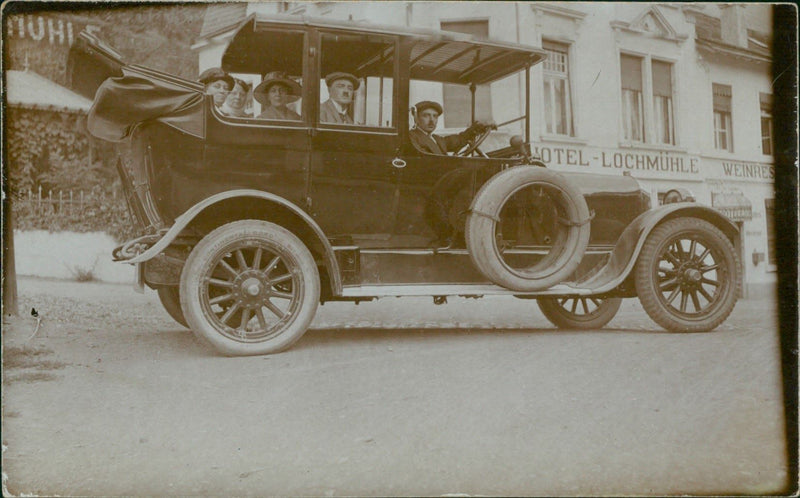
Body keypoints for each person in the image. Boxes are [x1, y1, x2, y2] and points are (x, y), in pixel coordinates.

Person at [409, 101, 495, 155]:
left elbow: (461, 139)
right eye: (426, 116)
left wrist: (479, 127)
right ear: (416, 118)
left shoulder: (436, 139)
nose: (432, 120)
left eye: (435, 116)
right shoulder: (411, 137)